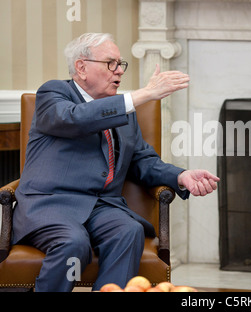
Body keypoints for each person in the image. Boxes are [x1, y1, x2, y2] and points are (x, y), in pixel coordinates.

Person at [12, 33, 220, 292]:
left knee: (128, 231)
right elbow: (76, 119)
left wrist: (181, 175)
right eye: (111, 63)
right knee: (72, 242)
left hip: (101, 207)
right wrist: (143, 94)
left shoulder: (126, 116)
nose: (119, 71)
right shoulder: (54, 94)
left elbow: (143, 161)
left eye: (121, 64)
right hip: (52, 204)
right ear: (81, 67)